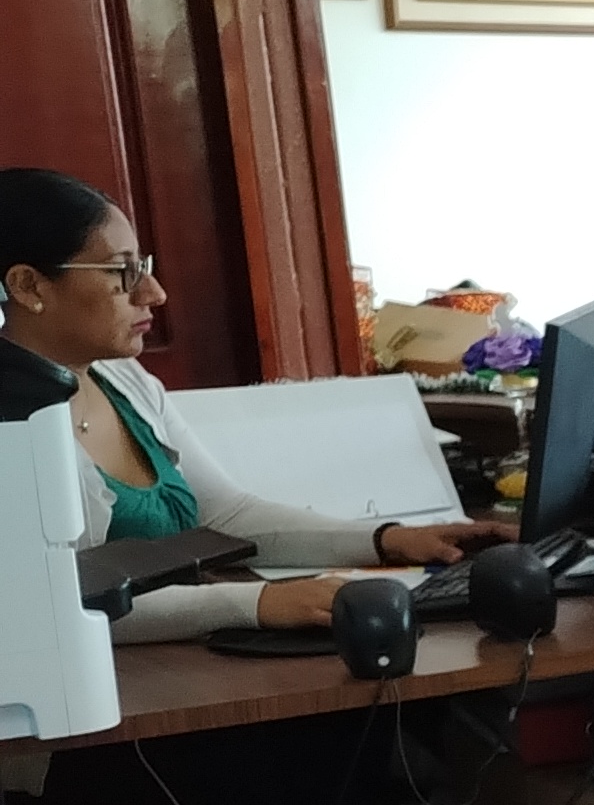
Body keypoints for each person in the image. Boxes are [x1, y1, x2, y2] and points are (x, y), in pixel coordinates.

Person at [0, 167, 500, 638]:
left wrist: (387, 540)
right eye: (121, 272)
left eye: (142, 267)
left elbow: (227, 517)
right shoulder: (13, 426)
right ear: (28, 285)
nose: (154, 293)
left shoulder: (122, 378)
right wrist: (257, 603)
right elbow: (57, 602)